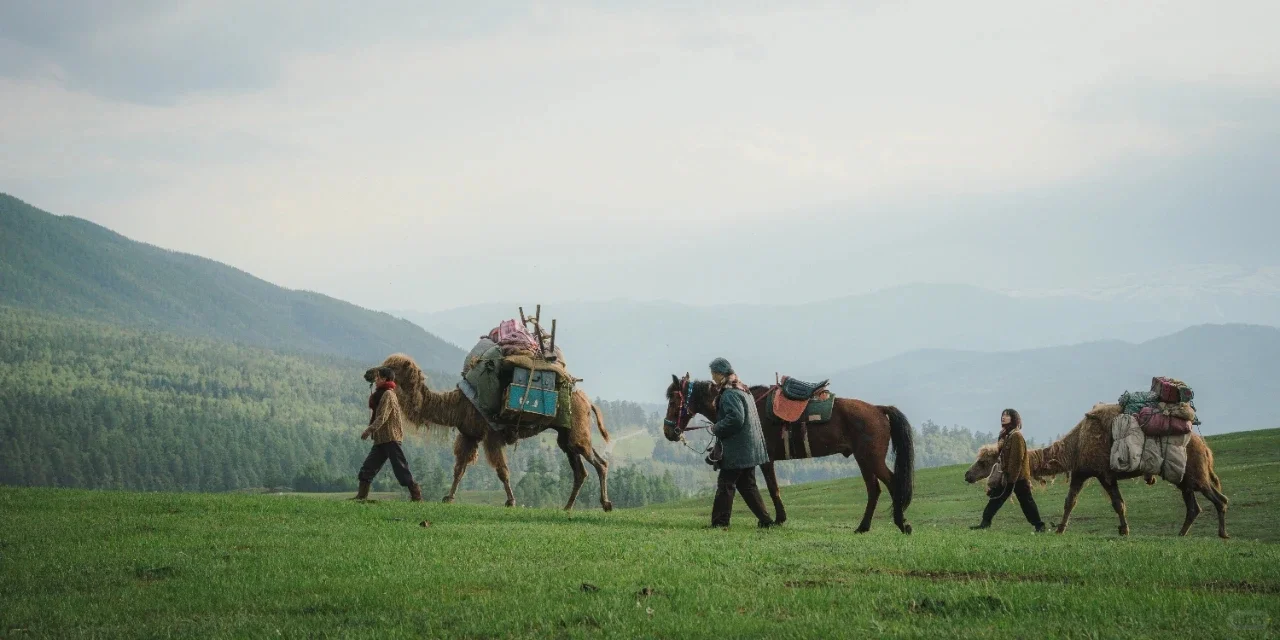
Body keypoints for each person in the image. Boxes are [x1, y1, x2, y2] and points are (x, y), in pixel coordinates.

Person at [707, 357, 777, 529]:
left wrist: (716, 428)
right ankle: (766, 520)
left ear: (720, 374)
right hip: (749, 448)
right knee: (747, 485)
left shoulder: (730, 394)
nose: (713, 378)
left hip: (737, 450)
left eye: (713, 374)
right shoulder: (743, 389)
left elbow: (736, 419)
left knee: (725, 484)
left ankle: (720, 523)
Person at [354, 367, 423, 501]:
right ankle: (361, 496)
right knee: (368, 468)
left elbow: (382, 416)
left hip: (391, 438)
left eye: (378, 377)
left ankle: (416, 496)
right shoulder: (382, 394)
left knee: (400, 468)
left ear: (385, 379)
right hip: (381, 439)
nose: (375, 380)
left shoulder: (388, 394)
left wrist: (369, 430)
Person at [971, 408, 1045, 532]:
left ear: (1014, 418)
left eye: (1007, 415)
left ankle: (1039, 525)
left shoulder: (1016, 436)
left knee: (1026, 501)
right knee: (995, 498)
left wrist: (1011, 480)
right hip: (1006, 476)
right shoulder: (1006, 435)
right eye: (1003, 415)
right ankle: (985, 522)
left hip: (1018, 477)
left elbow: (1017, 460)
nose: (1003, 417)